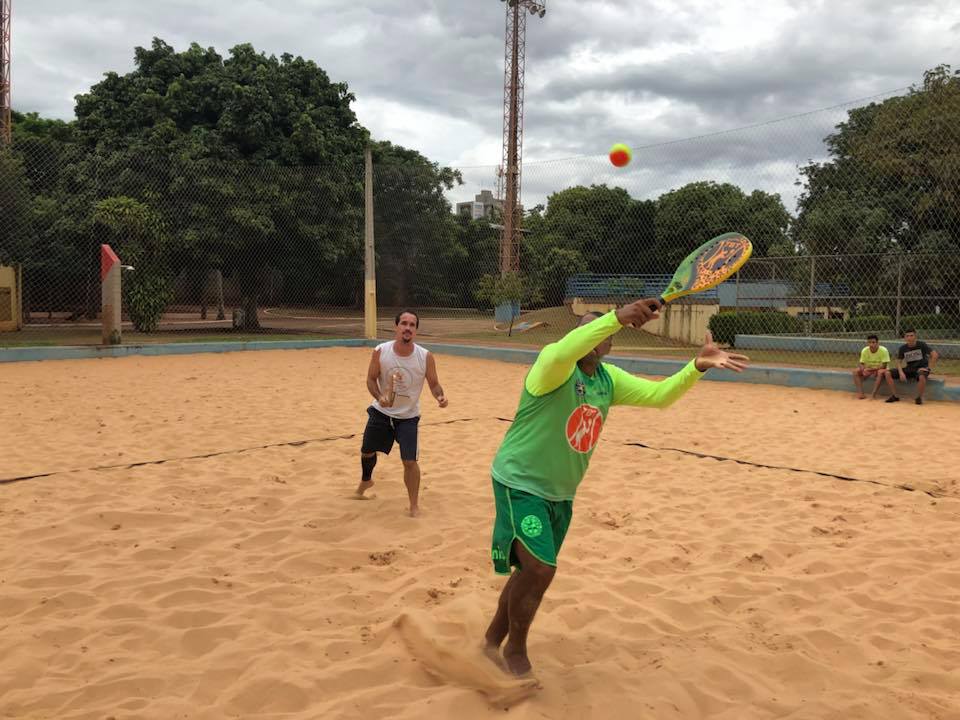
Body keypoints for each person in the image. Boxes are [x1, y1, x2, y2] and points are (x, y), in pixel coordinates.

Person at [483, 299, 749, 677]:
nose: (594, 338)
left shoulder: (608, 380)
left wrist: (696, 367)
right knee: (540, 569)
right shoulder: (553, 366)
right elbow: (568, 347)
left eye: (604, 334)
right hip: (520, 482)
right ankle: (515, 652)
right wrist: (615, 318)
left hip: (561, 493)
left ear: (610, 344)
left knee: (530, 570)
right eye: (587, 331)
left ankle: (490, 642)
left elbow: (659, 396)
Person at [357, 310, 448, 516]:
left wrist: (440, 397)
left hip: (408, 417)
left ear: (416, 330)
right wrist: (379, 396)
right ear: (396, 327)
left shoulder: (425, 356)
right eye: (404, 323)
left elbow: (434, 384)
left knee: (410, 462)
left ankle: (414, 506)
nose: (407, 328)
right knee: (367, 452)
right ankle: (366, 480)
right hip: (381, 412)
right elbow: (371, 379)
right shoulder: (381, 351)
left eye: (412, 325)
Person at [888, 328, 939, 405]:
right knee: (887, 373)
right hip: (909, 369)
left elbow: (935, 355)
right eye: (907, 336)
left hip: (921, 369)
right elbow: (898, 362)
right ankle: (895, 396)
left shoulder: (921, 345)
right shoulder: (903, 348)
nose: (909, 338)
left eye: (911, 335)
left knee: (921, 376)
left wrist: (928, 368)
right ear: (905, 338)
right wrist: (901, 373)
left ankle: (919, 398)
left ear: (915, 336)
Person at [852, 334, 896, 399]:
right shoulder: (865, 350)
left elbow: (884, 366)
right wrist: (863, 370)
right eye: (869, 342)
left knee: (880, 372)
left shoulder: (884, 350)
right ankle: (861, 394)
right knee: (855, 371)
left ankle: (873, 394)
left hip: (880, 369)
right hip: (869, 369)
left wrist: (870, 370)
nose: (871, 344)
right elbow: (861, 363)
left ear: (877, 343)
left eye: (873, 342)